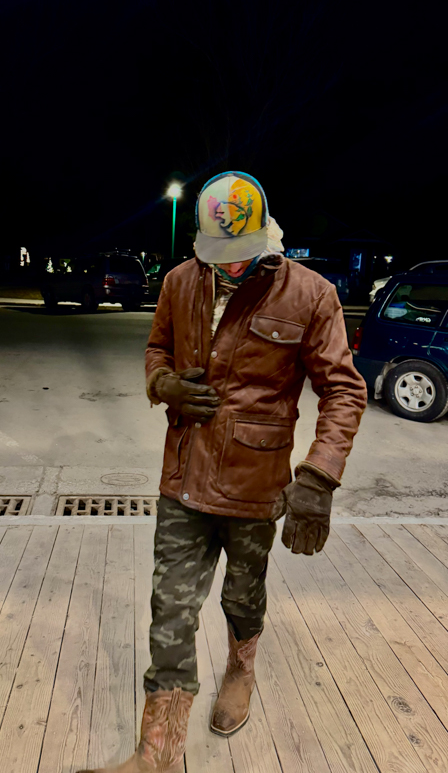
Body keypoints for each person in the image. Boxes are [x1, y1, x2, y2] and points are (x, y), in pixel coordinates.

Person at [78, 171, 367, 773]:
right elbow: (157, 348)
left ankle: (242, 664)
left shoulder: (310, 294)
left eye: (241, 257)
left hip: (255, 485)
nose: (229, 269)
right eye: (219, 257)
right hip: (183, 476)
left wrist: (318, 477)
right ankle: (157, 751)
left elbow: (343, 390)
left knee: (243, 594)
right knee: (170, 608)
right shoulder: (180, 281)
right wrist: (164, 385)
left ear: (265, 235)